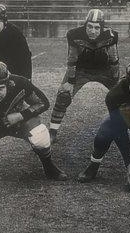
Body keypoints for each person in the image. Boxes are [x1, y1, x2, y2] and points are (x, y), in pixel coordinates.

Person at [0, 61, 68, 192]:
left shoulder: (20, 83)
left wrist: (20, 115)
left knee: (39, 135)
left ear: (8, 84)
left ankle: (49, 166)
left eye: (0, 88)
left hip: (19, 122)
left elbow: (43, 102)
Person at [48, 9, 120, 143]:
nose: (92, 31)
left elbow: (114, 59)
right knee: (63, 95)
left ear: (102, 28)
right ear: (85, 25)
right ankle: (52, 131)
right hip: (81, 70)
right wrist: (70, 81)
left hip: (104, 70)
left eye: (97, 28)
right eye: (90, 27)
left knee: (123, 97)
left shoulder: (111, 35)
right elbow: (72, 58)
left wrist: (116, 81)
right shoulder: (74, 34)